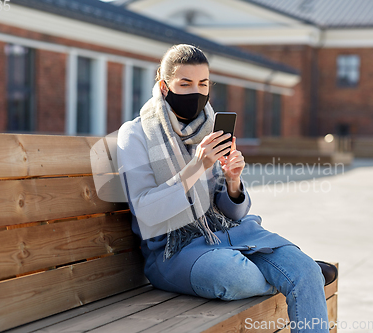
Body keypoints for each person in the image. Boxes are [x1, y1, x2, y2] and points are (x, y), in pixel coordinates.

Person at [117, 44, 336, 333]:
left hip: (234, 236)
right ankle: (297, 275)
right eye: (185, 84)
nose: (196, 91)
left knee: (305, 270)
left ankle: (303, 273)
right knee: (235, 276)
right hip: (175, 251)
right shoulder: (135, 135)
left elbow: (233, 211)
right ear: (164, 86)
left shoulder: (209, 130)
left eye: (203, 83)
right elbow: (147, 211)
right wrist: (197, 167)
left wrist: (233, 181)